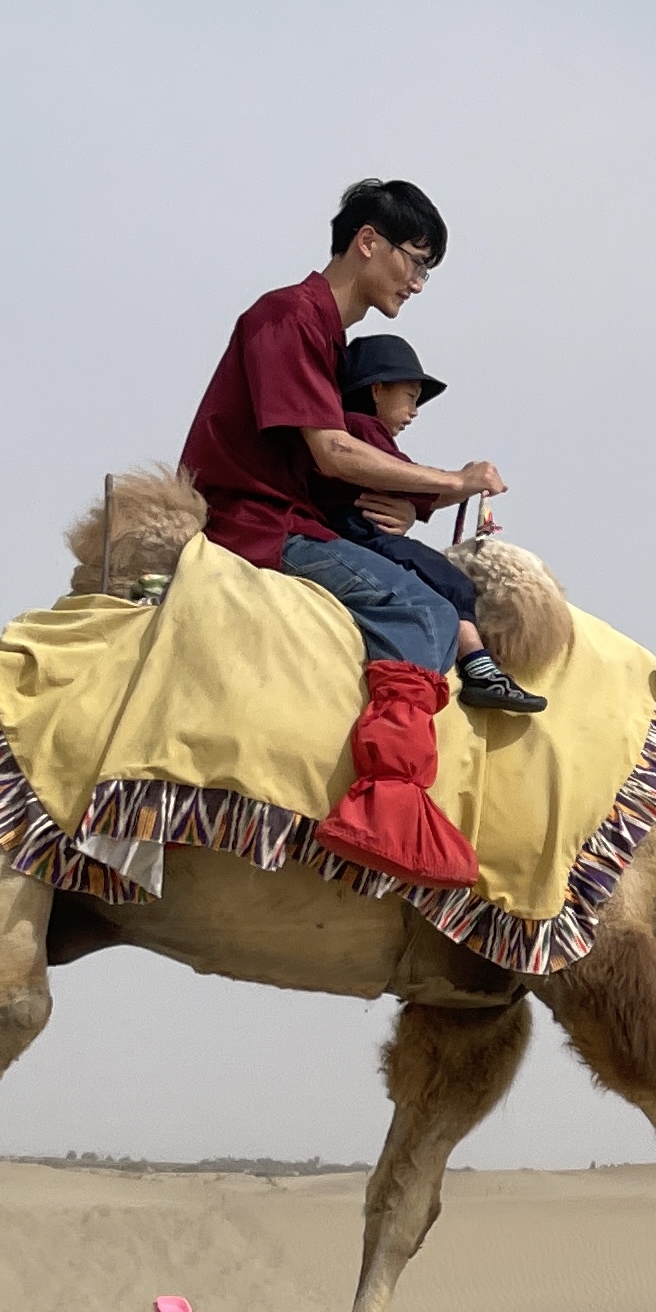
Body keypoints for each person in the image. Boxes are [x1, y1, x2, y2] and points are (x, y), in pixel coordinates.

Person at [174, 179, 513, 890]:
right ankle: (388, 803)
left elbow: (329, 461)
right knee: (425, 612)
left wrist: (408, 507)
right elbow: (331, 452)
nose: (416, 283)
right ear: (368, 242)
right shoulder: (287, 317)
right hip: (255, 523)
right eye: (415, 261)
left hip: (294, 515)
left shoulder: (327, 338)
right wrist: (451, 482)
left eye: (425, 270)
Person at [328, 331, 546, 714]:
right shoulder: (361, 430)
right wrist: (461, 481)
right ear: (377, 390)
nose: (414, 411)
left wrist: (446, 493)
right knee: (447, 579)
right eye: (410, 396)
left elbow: (411, 492)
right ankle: (478, 665)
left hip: (356, 533)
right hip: (359, 536)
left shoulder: (355, 430)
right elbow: (403, 478)